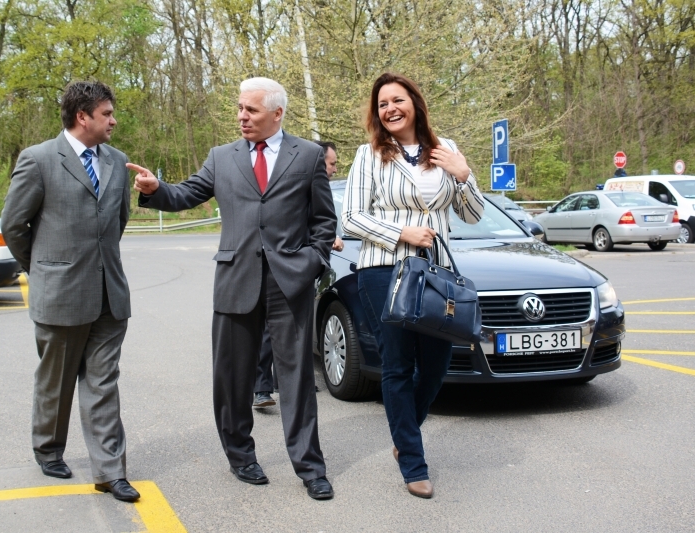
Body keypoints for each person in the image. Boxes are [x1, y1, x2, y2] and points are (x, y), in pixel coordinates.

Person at [129, 77, 337, 500]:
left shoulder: (308, 155)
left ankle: (310, 467)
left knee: (296, 380)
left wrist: (312, 261)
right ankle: (240, 456)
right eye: (240, 108)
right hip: (235, 278)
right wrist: (156, 190)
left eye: (251, 110)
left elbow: (323, 220)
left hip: (289, 282)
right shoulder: (221, 157)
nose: (242, 116)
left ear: (277, 113)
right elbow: (187, 193)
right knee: (231, 377)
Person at [341, 72, 485, 499]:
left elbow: (473, 215)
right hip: (383, 269)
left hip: (434, 273)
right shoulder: (369, 155)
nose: (390, 109)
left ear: (415, 103)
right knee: (398, 365)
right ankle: (413, 461)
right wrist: (401, 232)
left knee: (437, 363)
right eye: (383, 104)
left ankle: (404, 434)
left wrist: (464, 175)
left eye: (397, 100)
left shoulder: (446, 150)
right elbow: (351, 217)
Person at [0, 81, 139, 503]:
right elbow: (13, 226)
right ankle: (47, 449)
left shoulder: (116, 161)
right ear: (83, 117)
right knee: (56, 381)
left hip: (109, 295)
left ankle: (110, 472)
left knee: (103, 383)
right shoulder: (39, 159)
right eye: (107, 114)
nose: (114, 121)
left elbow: (118, 221)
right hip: (59, 294)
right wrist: (43, 269)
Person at [252, 139, 344, 410]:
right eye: (332, 163)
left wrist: (319, 250)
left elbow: (323, 219)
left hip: (304, 266)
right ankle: (261, 388)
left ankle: (287, 381)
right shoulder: (295, 179)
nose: (334, 169)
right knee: (269, 328)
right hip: (284, 263)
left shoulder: (323, 186)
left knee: (298, 326)